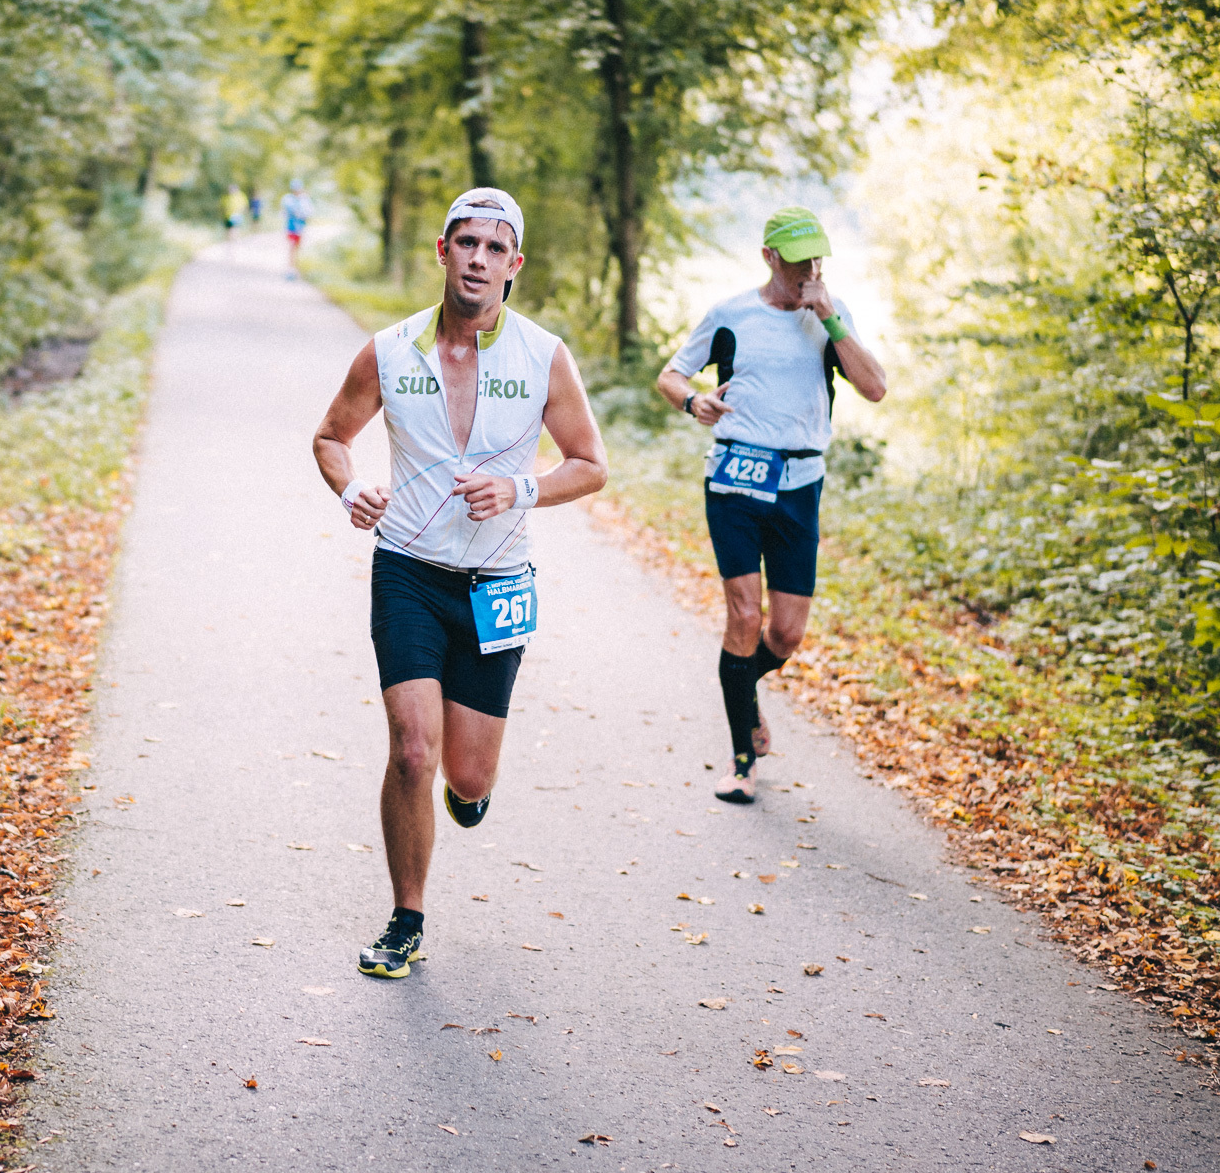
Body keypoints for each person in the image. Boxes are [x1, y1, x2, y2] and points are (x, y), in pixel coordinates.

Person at [313, 188, 608, 979]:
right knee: (413, 750)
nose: (479, 259)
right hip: (407, 570)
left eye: (494, 248)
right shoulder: (389, 351)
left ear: (515, 264)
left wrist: (520, 489)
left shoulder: (543, 356)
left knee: (468, 776)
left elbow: (590, 464)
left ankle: (467, 793)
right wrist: (352, 490)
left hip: (496, 580)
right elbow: (331, 437)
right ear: (443, 252)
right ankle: (405, 920)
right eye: (466, 243)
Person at [654, 207, 888, 805]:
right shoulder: (731, 314)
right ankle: (742, 762)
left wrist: (830, 318)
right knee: (743, 616)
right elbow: (671, 376)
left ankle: (741, 685)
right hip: (734, 478)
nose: (809, 270)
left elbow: (875, 387)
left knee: (785, 633)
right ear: (768, 257)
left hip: (799, 484)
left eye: (817, 258)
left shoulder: (829, 317)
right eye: (797, 259)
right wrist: (694, 403)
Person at [280, 179, 314, 276]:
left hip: (301, 227)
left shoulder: (305, 199)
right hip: (290, 227)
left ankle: (295, 268)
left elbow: (309, 212)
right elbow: (283, 212)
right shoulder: (288, 199)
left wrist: (301, 214)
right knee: (292, 247)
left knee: (298, 247)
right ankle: (290, 269)